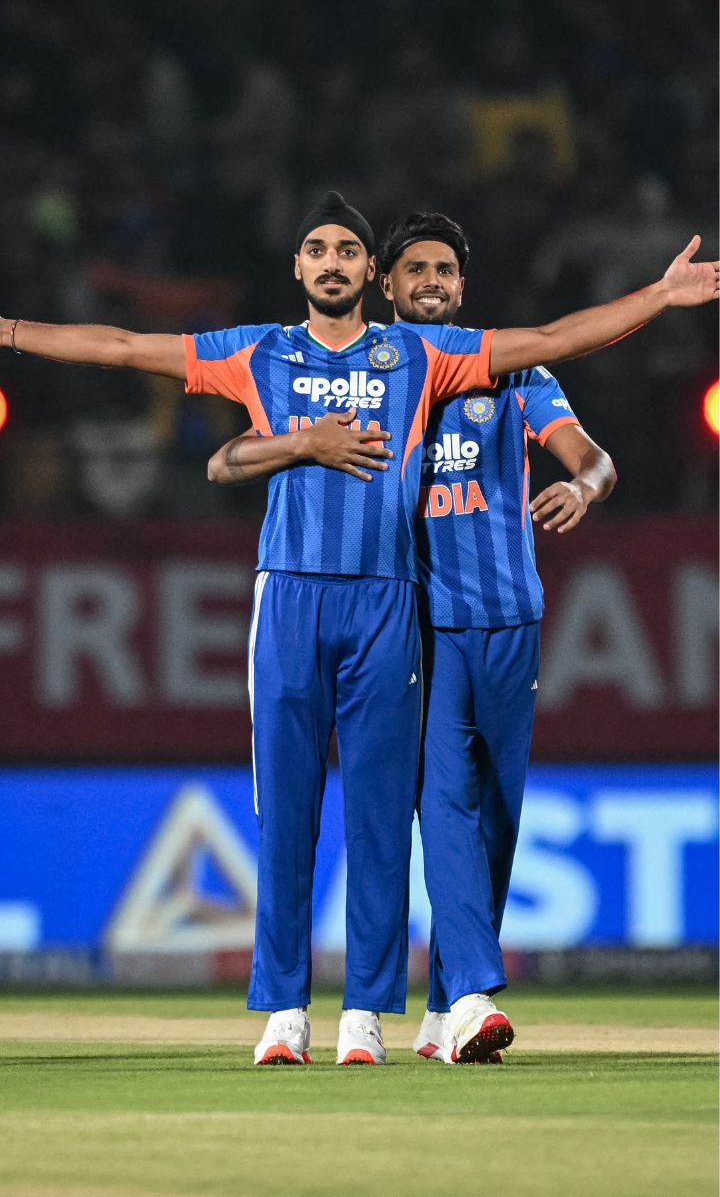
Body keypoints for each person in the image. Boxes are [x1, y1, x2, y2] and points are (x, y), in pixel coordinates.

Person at [2, 193, 717, 1067]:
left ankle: (366, 1018)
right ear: (301, 268)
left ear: (365, 271)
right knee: (287, 816)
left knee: (380, 821)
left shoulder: (420, 354)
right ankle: (283, 1014)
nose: (333, 261)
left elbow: (554, 339)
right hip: (291, 596)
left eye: (347, 249)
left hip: (388, 602)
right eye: (318, 249)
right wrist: (9, 331)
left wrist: (659, 297)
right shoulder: (258, 351)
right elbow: (120, 347)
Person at [211, 210, 617, 1066]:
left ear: (462, 286)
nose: (432, 281)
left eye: (446, 271)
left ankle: (442, 1010)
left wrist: (585, 484)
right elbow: (234, 452)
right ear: (385, 285)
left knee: (492, 816)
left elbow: (588, 442)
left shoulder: (509, 371)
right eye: (415, 269)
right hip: (417, 625)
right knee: (439, 807)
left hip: (507, 618)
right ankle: (463, 999)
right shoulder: (384, 371)